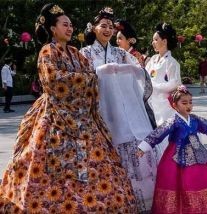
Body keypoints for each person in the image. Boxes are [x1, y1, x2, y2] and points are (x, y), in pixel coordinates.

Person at [0, 4, 137, 212]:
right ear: (53, 29)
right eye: (65, 25)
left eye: (71, 25)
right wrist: (84, 80)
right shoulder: (47, 51)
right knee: (46, 164)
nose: (70, 28)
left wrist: (84, 80)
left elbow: (92, 76)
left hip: (82, 117)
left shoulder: (75, 52)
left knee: (96, 165)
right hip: (54, 115)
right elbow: (53, 81)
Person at [80, 7, 157, 212]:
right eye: (103, 26)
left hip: (123, 110)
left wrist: (136, 71)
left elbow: (140, 74)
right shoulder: (84, 53)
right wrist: (99, 73)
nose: (107, 30)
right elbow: (80, 82)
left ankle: (135, 198)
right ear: (93, 28)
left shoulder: (120, 53)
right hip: (98, 109)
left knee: (130, 146)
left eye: (111, 27)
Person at [137, 85, 207, 213]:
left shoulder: (195, 119)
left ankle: (202, 207)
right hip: (176, 154)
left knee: (199, 179)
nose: (188, 106)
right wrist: (144, 147)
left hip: (198, 152)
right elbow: (159, 133)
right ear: (175, 105)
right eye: (184, 103)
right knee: (177, 181)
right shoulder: (173, 121)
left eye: (190, 102)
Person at [145, 22, 182, 155]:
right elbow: (145, 76)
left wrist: (154, 86)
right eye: (153, 40)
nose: (153, 42)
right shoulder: (153, 59)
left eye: (156, 40)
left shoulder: (172, 62)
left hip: (165, 105)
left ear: (164, 41)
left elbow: (175, 83)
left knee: (164, 134)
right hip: (150, 102)